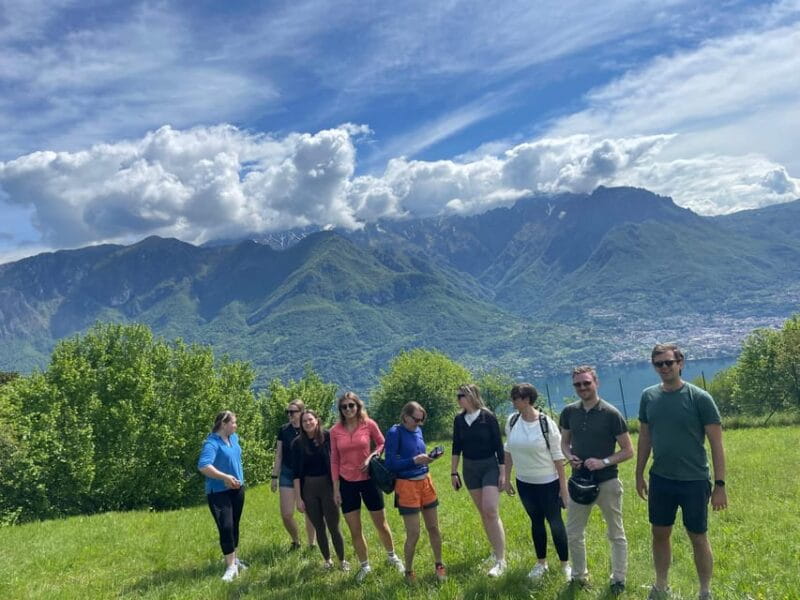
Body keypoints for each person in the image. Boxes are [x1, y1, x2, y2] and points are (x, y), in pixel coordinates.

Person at [636, 344, 728, 600]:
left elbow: (717, 445)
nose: (664, 368)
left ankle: (704, 591)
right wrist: (639, 473)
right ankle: (661, 585)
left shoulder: (699, 398)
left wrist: (720, 485)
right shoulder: (648, 396)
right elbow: (645, 437)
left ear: (680, 363)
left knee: (698, 536)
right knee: (659, 533)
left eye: (668, 362)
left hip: (694, 480)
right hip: (661, 479)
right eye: (659, 364)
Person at [559, 366, 633, 595]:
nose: (582, 388)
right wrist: (569, 456)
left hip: (608, 482)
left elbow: (628, 450)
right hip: (579, 482)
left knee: (615, 533)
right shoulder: (569, 412)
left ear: (596, 383)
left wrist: (604, 462)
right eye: (578, 384)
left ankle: (618, 578)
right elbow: (564, 443)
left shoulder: (611, 414)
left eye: (586, 383)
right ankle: (579, 576)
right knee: (573, 532)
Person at [330, 391, 405, 582]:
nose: (348, 409)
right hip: (347, 483)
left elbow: (382, 443)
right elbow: (334, 460)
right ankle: (365, 566)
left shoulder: (368, 424)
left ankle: (392, 556)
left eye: (351, 405)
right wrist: (336, 489)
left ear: (358, 406)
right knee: (355, 529)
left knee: (381, 523)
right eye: (344, 407)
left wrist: (372, 456)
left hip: (369, 480)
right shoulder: (335, 431)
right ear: (340, 410)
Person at [503, 383, 570, 582]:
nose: (513, 401)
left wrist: (563, 489)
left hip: (548, 483)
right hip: (525, 483)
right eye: (513, 397)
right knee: (536, 522)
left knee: (556, 523)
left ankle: (565, 565)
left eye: (516, 397)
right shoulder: (512, 421)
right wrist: (506, 478)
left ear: (527, 400)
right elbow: (508, 451)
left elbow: (558, 457)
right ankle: (541, 563)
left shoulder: (545, 423)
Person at [384, 401, 446, 583]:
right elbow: (390, 464)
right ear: (405, 417)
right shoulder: (395, 433)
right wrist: (414, 461)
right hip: (407, 486)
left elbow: (420, 455)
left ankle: (439, 564)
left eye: (422, 420)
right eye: (416, 419)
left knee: (434, 528)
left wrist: (429, 458)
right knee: (414, 533)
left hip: (426, 482)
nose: (419, 423)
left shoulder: (418, 430)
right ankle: (409, 571)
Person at [450, 384, 507, 577]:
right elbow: (456, 446)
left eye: (462, 395)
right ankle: (494, 551)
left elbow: (499, 446)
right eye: (457, 396)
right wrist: (453, 472)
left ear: (472, 396)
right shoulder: (459, 420)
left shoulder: (487, 416)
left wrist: (503, 473)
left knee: (490, 509)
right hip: (470, 468)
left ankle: (501, 560)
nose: (459, 399)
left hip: (489, 466)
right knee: (483, 512)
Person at [292, 410, 348, 570]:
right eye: (304, 421)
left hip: (328, 486)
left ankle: (342, 560)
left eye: (310, 420)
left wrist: (338, 489)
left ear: (317, 420)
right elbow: (295, 474)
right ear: (301, 425)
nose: (308, 423)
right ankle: (327, 560)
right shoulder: (297, 443)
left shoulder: (328, 437)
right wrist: (298, 498)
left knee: (333, 525)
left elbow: (338, 461)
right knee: (319, 527)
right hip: (308, 488)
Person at [198, 410, 247, 582]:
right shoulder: (211, 443)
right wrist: (225, 477)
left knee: (234, 525)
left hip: (237, 489)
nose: (236, 425)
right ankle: (230, 567)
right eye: (233, 422)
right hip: (218, 492)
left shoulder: (234, 438)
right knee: (225, 527)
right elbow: (204, 466)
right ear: (223, 424)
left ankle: (235, 559)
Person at [270, 399, 316, 550]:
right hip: (288, 473)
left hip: (306, 474)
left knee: (309, 512)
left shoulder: (309, 428)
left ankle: (312, 544)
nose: (289, 415)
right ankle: (296, 541)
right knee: (286, 514)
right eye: (288, 412)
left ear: (301, 412)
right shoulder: (283, 430)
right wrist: (274, 477)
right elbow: (279, 455)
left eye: (293, 412)